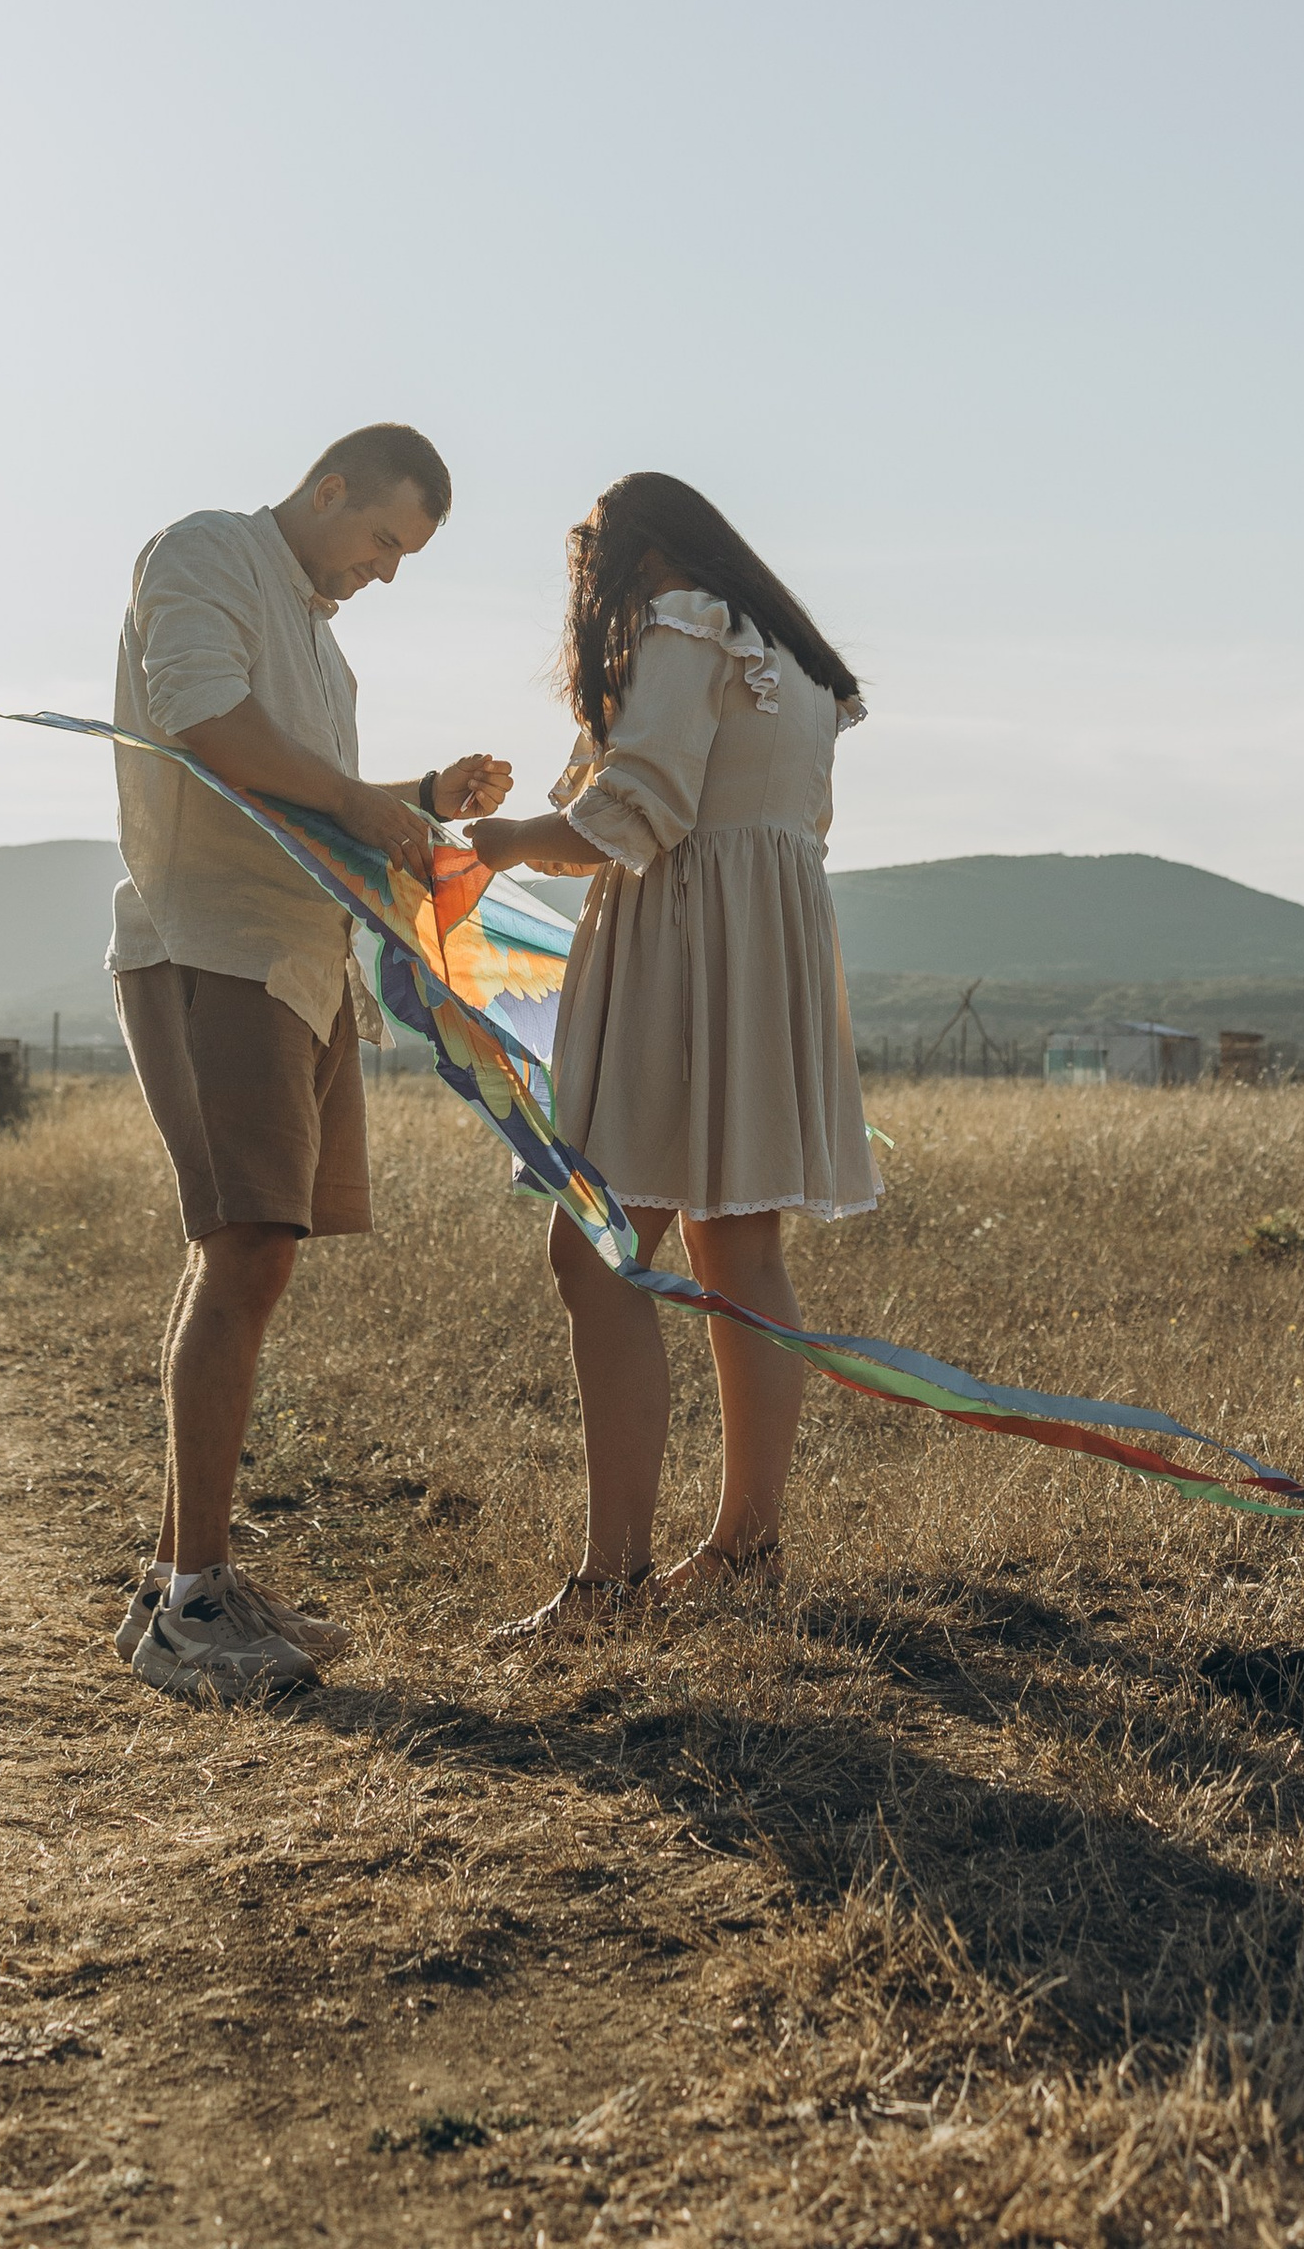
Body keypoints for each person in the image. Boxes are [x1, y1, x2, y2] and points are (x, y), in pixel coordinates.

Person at [108, 425, 512, 1700]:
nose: (385, 571)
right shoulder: (207, 555)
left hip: (296, 964)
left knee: (251, 1257)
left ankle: (184, 1577)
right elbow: (206, 726)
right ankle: (190, 1608)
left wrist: (418, 794)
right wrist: (355, 799)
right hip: (211, 950)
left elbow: (304, 793)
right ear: (329, 487)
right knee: (242, 1251)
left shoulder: (320, 641)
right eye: (383, 538)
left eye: (408, 558)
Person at [464, 471, 875, 1637]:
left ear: (629, 559)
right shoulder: (789, 659)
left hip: (683, 943)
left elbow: (632, 812)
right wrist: (546, 823)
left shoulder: (681, 623)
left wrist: (492, 846)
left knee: (594, 1248)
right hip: (767, 944)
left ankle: (612, 1581)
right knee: (739, 1250)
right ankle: (745, 1551)